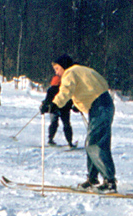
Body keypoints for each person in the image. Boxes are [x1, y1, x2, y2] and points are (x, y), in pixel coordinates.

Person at [41, 54, 116, 191]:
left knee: (94, 143)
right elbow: (96, 85)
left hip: (99, 106)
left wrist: (53, 105)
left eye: (57, 68)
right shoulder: (80, 70)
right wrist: (80, 104)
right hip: (104, 104)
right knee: (94, 141)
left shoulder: (69, 73)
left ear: (63, 66)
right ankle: (93, 179)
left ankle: (110, 181)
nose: (56, 72)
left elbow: (65, 92)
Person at [42, 71, 75, 148]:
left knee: (54, 123)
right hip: (64, 109)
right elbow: (70, 99)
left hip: (55, 109)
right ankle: (70, 142)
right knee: (66, 125)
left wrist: (45, 105)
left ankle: (50, 139)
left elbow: (48, 99)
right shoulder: (64, 88)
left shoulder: (51, 89)